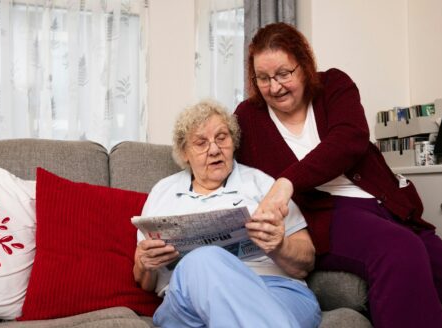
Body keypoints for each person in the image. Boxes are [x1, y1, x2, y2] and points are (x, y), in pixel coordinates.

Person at [234, 22, 442, 328]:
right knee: (399, 250)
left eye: (283, 74)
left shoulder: (334, 84)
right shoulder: (248, 116)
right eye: (263, 78)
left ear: (303, 65)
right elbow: (222, 163)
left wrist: (287, 181)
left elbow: (350, 139)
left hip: (386, 202)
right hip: (326, 215)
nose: (274, 87)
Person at [133, 100, 321, 328]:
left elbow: (307, 260)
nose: (214, 149)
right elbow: (145, 282)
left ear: (234, 142)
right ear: (184, 153)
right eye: (201, 143)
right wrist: (145, 264)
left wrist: (280, 245)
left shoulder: (262, 183)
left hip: (273, 290)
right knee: (202, 260)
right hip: (188, 303)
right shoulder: (163, 192)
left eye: (222, 138)